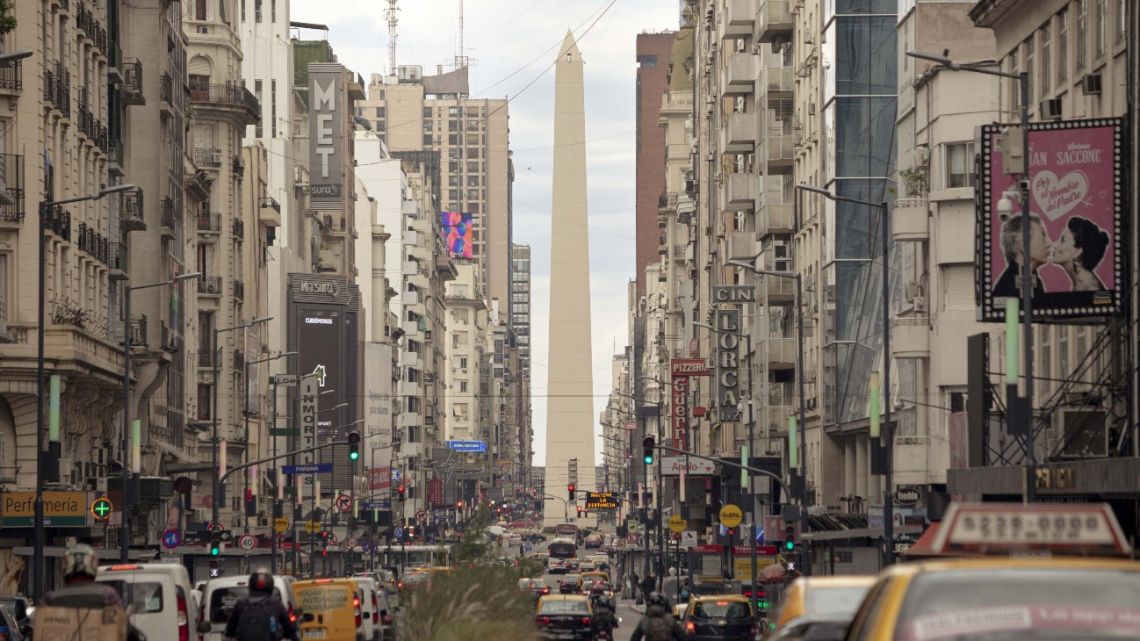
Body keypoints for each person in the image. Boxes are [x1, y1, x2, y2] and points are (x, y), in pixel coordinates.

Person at [43, 544, 145, 641]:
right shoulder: (107, 595)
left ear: (64, 568)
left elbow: (38, 628)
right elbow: (125, 627)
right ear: (93, 566)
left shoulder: (52, 598)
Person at [223, 570, 297, 641]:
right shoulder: (275, 604)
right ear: (271, 587)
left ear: (251, 586)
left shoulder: (241, 604)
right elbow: (289, 629)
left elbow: (230, 630)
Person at [991, 213, 1051, 299]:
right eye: (1043, 237)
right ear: (1022, 244)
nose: (1049, 243)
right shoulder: (1015, 286)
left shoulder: (1013, 279)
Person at [1050, 215, 1110, 291]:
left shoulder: (1090, 288)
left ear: (1077, 252)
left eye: (1063, 240)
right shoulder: (1080, 282)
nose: (1054, 245)